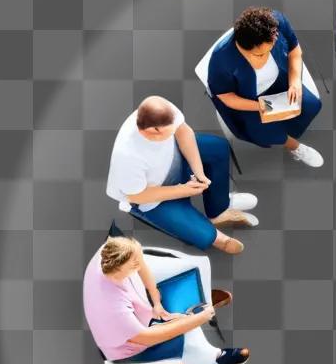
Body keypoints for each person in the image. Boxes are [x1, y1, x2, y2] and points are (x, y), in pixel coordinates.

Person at [106, 95, 258, 255]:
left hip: (176, 158)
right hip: (153, 198)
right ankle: (218, 238)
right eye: (169, 132)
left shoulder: (162, 109)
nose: (174, 132)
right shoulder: (127, 156)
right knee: (204, 235)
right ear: (153, 131)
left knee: (217, 148)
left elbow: (184, 132)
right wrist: (184, 190)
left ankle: (218, 210)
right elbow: (137, 196)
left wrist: (199, 173)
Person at [83, 236, 249, 364]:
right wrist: (198, 319)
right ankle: (213, 359)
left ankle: (199, 297)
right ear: (119, 269)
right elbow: (148, 338)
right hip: (130, 348)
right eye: (134, 264)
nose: (138, 263)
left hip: (137, 309)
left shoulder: (114, 249)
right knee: (189, 334)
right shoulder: (112, 309)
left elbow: (141, 263)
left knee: (187, 265)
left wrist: (156, 301)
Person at [206, 6, 324, 168]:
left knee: (312, 105)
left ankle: (291, 127)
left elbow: (294, 51)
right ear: (242, 48)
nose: (267, 57)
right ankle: (294, 146)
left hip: (281, 80)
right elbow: (226, 96)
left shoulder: (276, 23)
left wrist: (295, 81)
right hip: (249, 99)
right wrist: (262, 106)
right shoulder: (221, 60)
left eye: (270, 49)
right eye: (260, 55)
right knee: (266, 133)